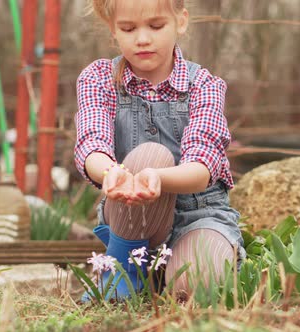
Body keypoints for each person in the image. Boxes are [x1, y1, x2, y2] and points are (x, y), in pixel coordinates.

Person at [75, 0, 244, 301]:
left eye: (155, 26)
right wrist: (111, 173)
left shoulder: (204, 85)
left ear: (180, 21)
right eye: (128, 28)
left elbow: (202, 167)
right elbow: (92, 144)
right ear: (113, 30)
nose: (142, 38)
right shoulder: (99, 79)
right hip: (133, 220)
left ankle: (158, 276)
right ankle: (122, 270)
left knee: (194, 286)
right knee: (148, 156)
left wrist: (157, 178)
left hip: (198, 214)